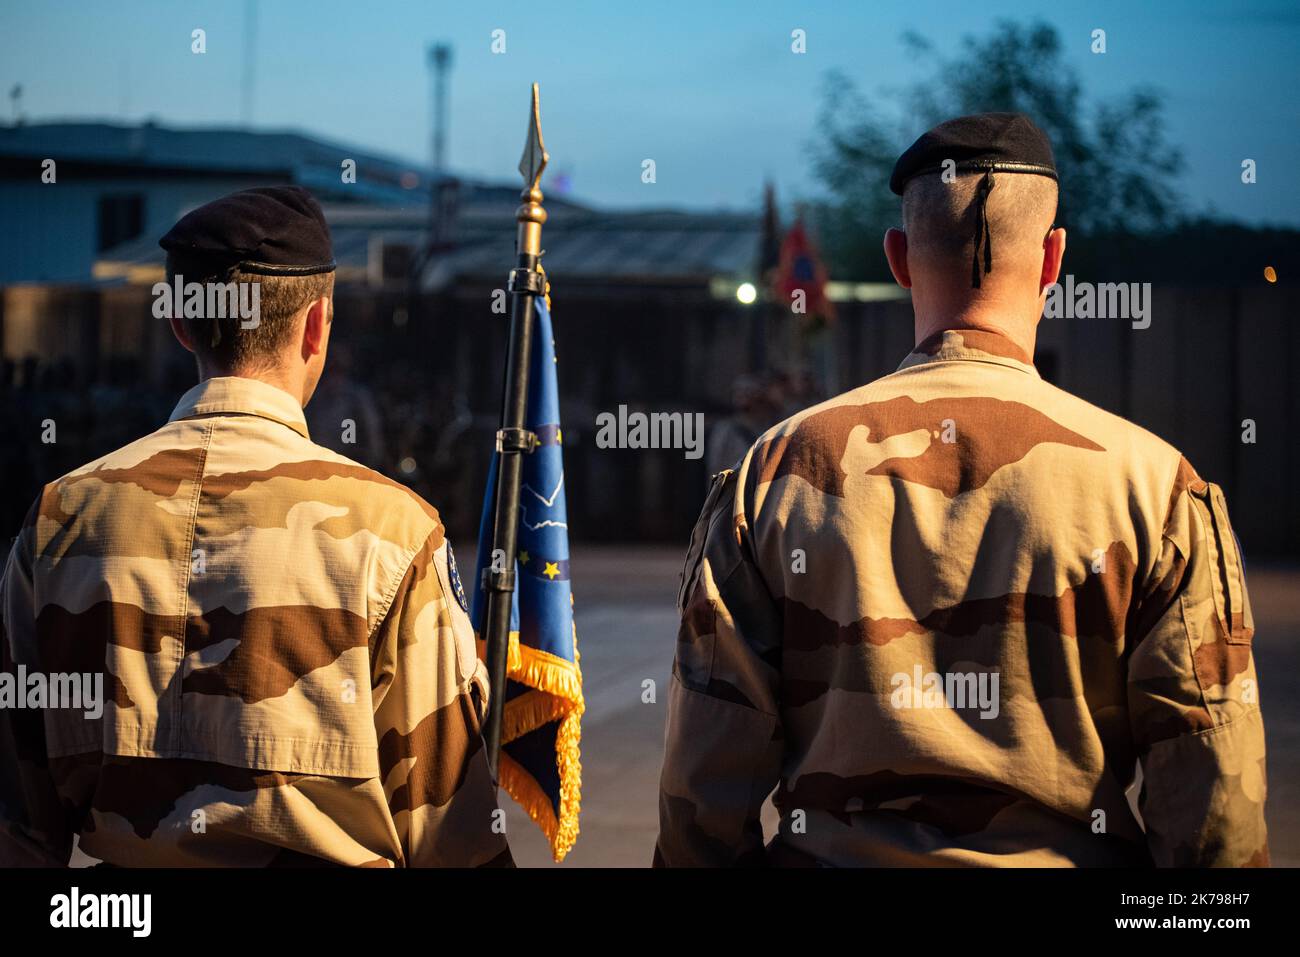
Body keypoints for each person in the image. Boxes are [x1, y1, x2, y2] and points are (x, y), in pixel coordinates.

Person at [655, 113, 1268, 867]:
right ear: (1053, 258)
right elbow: (1215, 819)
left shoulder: (776, 473)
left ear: (899, 258)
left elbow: (701, 795)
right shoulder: (1158, 488)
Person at [0, 186, 511, 867]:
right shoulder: (393, 535)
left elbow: (17, 829)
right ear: (317, 326)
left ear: (181, 322)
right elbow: (455, 837)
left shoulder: (58, 519)